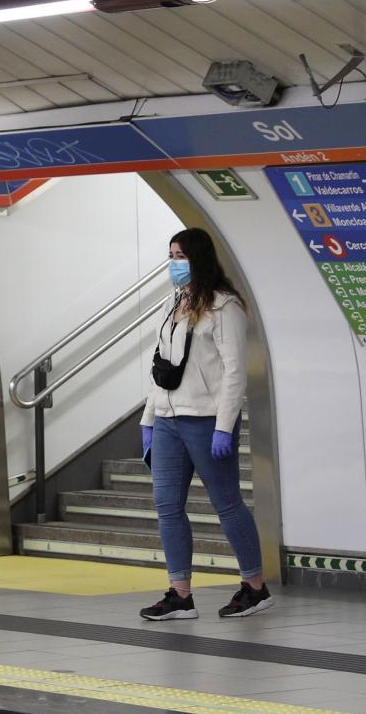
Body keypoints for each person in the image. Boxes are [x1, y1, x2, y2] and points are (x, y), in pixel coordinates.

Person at [138, 228, 271, 621]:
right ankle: (180, 594)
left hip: (207, 420)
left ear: (199, 258)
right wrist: (149, 417)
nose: (174, 262)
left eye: (180, 255)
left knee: (227, 504)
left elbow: (235, 373)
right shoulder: (174, 300)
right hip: (168, 419)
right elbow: (161, 366)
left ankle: (255, 587)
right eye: (171, 254)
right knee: (167, 506)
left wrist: (224, 426)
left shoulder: (223, 306)